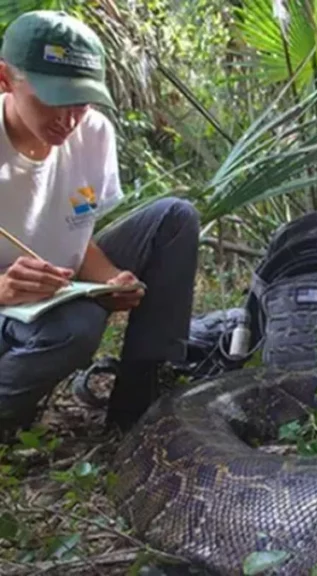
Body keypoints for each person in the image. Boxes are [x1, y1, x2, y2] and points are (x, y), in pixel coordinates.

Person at [0, 10, 200, 439]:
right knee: (78, 326)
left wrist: (110, 279)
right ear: (5, 79)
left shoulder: (93, 134)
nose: (68, 119)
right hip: (9, 307)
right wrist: (3, 289)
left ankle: (139, 408)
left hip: (59, 284)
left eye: (82, 100)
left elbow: (76, 233)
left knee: (175, 218)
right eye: (53, 98)